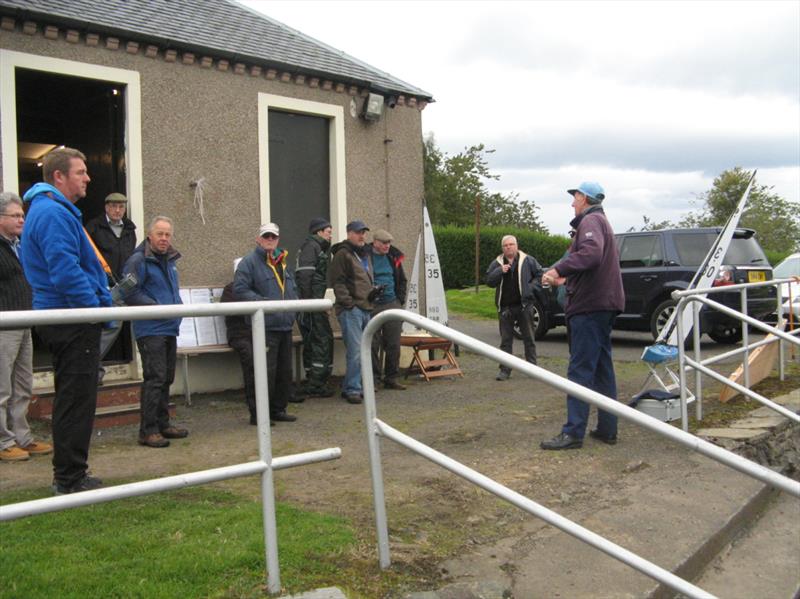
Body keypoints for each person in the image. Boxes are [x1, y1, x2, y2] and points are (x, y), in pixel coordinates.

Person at [20, 147, 112, 494]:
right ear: (58, 176)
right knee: (76, 400)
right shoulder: (53, 214)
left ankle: (71, 473)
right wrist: (93, 309)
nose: (87, 177)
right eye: (80, 172)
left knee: (73, 397)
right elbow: (65, 271)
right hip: (71, 320)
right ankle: (70, 478)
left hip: (66, 317)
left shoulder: (50, 211)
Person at [540, 182, 624, 450]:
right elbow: (593, 265)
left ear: (584, 198)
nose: (572, 203)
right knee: (601, 369)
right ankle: (607, 428)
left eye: (575, 197)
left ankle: (573, 432)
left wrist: (556, 270)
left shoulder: (590, 221)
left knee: (580, 369)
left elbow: (590, 254)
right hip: (602, 304)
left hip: (589, 308)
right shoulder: (600, 222)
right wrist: (565, 279)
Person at [122, 216, 189, 448]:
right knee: (155, 378)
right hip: (150, 328)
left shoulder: (170, 260)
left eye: (168, 234)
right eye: (160, 234)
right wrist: (154, 306)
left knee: (167, 378)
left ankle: (163, 424)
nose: (164, 239)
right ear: (150, 235)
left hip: (170, 327)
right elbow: (129, 293)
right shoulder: (137, 261)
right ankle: (147, 430)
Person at [0, 192, 53, 462]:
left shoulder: (20, 246)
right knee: (2, 387)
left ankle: (23, 437)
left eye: (22, 214)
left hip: (24, 322)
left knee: (22, 385)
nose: (22, 219)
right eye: (16, 215)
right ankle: (3, 441)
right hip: (3, 325)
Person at [234, 223, 298, 424]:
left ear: (278, 239)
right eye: (266, 236)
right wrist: (263, 304)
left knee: (284, 372)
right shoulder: (249, 262)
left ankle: (278, 409)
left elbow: (292, 289)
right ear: (258, 239)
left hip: (285, 326)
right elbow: (240, 290)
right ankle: (259, 415)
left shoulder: (283, 262)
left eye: (273, 237)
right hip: (264, 327)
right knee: (263, 373)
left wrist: (294, 308)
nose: (270, 240)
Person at [85, 192, 138, 382]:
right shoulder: (93, 227)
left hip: (122, 286)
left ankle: (91, 366)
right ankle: (90, 366)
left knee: (113, 325)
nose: (117, 210)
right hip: (100, 286)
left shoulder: (130, 229)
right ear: (106, 208)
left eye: (121, 207)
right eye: (114, 206)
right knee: (106, 326)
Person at [329, 220, 374, 404]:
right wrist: (349, 304)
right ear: (349, 233)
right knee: (355, 351)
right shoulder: (343, 254)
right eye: (357, 232)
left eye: (363, 232)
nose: (361, 235)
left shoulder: (363, 254)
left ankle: (354, 386)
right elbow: (337, 282)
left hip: (366, 308)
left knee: (364, 350)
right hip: (352, 310)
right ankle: (353, 389)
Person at [486, 235, 542, 381]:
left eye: (511, 244)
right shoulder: (497, 263)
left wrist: (530, 288)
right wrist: (500, 271)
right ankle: (505, 370)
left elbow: (540, 275)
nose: (508, 247)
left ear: (516, 246)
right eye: (506, 245)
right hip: (505, 308)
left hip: (524, 306)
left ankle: (532, 369)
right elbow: (489, 281)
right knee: (506, 341)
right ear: (502, 248)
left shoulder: (528, 260)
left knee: (529, 338)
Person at [295, 217, 334, 398]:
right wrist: (311, 305)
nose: (330, 235)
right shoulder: (312, 247)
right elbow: (305, 277)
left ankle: (317, 380)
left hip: (314, 303)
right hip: (311, 305)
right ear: (318, 232)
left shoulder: (317, 247)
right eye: (328, 231)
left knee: (319, 341)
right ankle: (316, 384)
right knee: (320, 341)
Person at [369, 229, 408, 390]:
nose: (387, 246)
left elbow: (402, 280)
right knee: (373, 343)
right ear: (375, 243)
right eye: (384, 243)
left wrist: (399, 301)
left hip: (392, 303)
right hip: (373, 305)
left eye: (389, 243)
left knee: (394, 343)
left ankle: (391, 377)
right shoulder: (366, 257)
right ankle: (374, 379)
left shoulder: (393, 257)